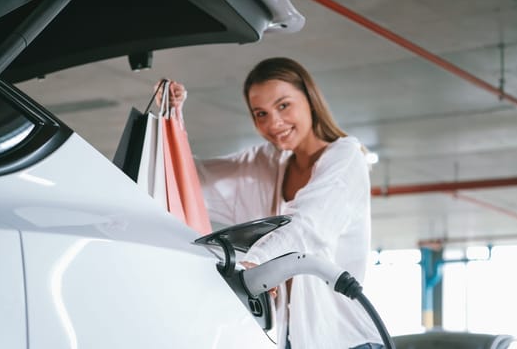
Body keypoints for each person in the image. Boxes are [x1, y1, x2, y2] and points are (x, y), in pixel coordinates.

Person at [155, 57, 383, 349]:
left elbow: (307, 227)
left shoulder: (346, 157)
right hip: (290, 339)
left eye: (284, 105)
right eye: (261, 113)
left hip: (345, 341)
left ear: (310, 99)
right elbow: (190, 182)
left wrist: (255, 264)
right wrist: (171, 117)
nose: (274, 123)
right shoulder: (267, 163)